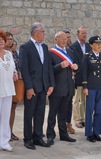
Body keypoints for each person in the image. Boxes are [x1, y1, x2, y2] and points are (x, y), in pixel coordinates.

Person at [19, 22, 54, 150]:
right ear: (35, 32)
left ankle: (38, 136)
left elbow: (48, 66)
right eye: (43, 31)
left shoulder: (44, 47)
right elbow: (24, 68)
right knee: (29, 113)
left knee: (40, 113)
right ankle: (28, 138)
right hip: (32, 87)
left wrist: (50, 84)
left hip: (43, 86)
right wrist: (29, 87)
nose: (44, 34)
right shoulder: (25, 47)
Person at [46, 31, 78, 145]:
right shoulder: (51, 52)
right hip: (56, 87)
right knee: (52, 113)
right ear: (56, 40)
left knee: (63, 113)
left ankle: (63, 134)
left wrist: (75, 67)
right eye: (61, 38)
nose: (64, 41)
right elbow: (49, 70)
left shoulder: (70, 52)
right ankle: (50, 135)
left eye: (66, 38)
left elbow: (73, 67)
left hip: (68, 87)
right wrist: (60, 66)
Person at [82, 36, 101, 142]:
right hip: (91, 87)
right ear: (91, 45)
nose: (99, 45)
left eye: (100, 44)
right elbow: (84, 72)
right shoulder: (87, 56)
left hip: (100, 86)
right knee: (89, 110)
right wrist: (85, 86)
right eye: (96, 43)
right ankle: (89, 133)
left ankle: (96, 132)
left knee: (99, 110)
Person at [70, 27, 89, 129]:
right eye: (82, 33)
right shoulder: (73, 47)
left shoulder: (88, 46)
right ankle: (77, 120)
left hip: (86, 77)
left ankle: (84, 119)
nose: (84, 35)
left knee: (84, 100)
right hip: (78, 76)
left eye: (85, 33)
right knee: (77, 100)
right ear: (77, 34)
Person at [5, 32, 23, 141]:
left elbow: (19, 66)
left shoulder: (15, 53)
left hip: (14, 84)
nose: (10, 41)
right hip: (4, 84)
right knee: (4, 109)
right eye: (7, 39)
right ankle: (3, 132)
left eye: (11, 39)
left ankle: (10, 131)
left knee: (12, 108)